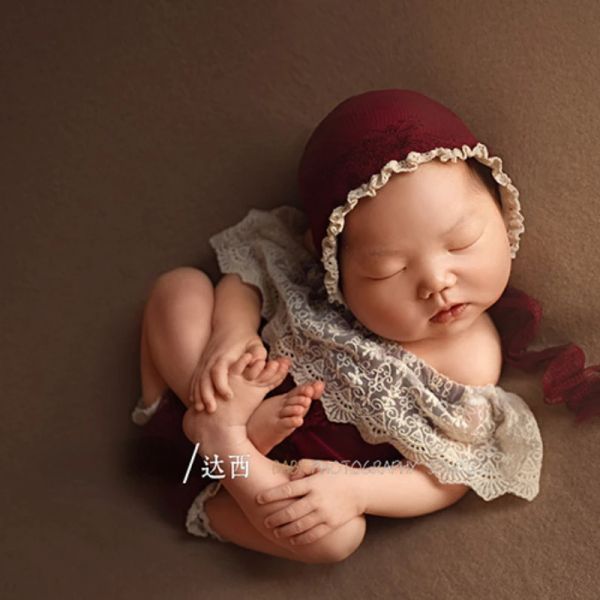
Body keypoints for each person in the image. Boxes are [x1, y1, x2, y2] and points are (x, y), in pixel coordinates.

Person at [130, 89, 596, 563]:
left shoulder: (471, 366)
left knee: (336, 539)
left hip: (263, 475)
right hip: (198, 393)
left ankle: (224, 443)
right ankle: (216, 421)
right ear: (335, 268)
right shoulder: (313, 278)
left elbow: (447, 476)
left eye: (462, 243)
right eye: (387, 270)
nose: (437, 282)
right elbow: (248, 274)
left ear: (503, 211)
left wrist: (357, 491)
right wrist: (234, 332)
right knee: (181, 286)